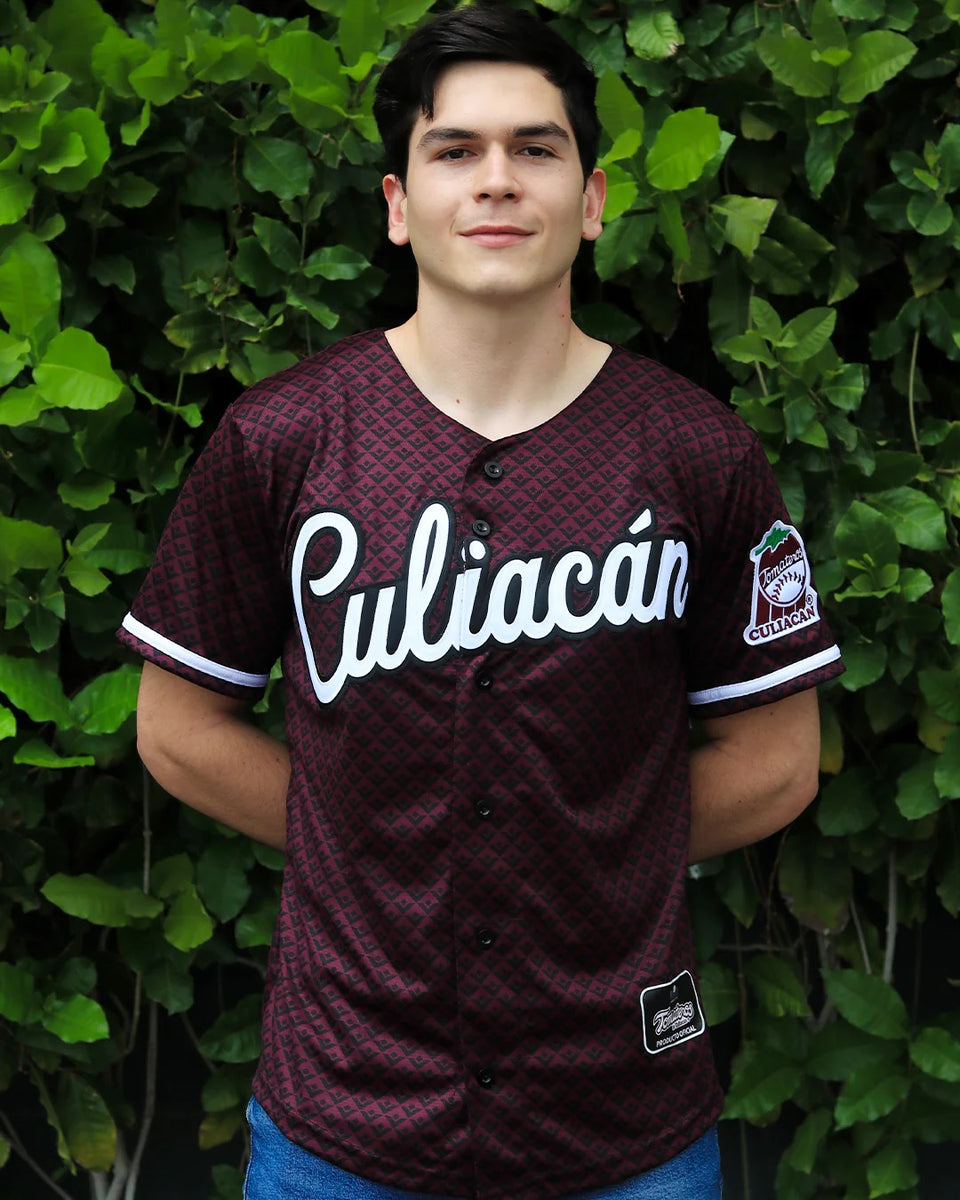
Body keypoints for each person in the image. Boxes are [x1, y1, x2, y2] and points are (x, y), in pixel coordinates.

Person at [119, 5, 843, 1198]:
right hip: (344, 1112)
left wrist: (594, 855)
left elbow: (777, 760)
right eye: (455, 151)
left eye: (535, 148)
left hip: (626, 1116)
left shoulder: (695, 451)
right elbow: (177, 728)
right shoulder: (282, 439)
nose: (497, 180)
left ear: (595, 198)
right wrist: (371, 851)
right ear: (399, 205)